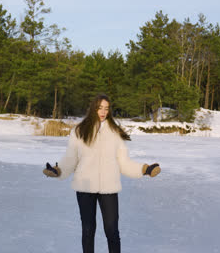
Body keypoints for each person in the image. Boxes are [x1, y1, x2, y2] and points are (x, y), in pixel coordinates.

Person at [43, 94, 160, 253]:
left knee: (112, 230)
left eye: (106, 108)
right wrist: (58, 170)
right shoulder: (79, 130)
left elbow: (124, 163)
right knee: (88, 230)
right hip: (85, 186)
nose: (103, 111)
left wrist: (144, 169)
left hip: (108, 188)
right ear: (93, 108)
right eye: (100, 108)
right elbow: (71, 159)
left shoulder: (115, 132)